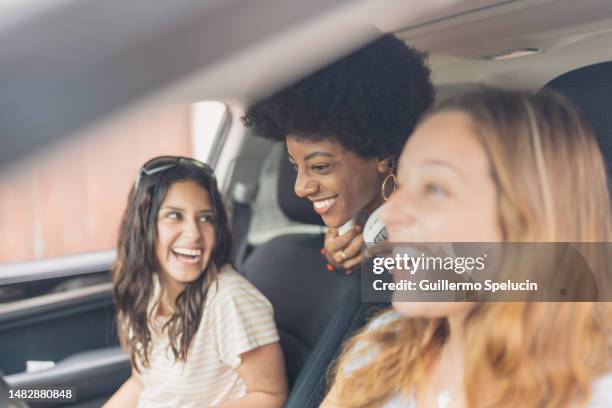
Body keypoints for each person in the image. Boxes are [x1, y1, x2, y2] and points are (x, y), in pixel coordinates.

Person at [321, 89, 612, 407]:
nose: (389, 213)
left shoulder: (594, 392)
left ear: (531, 220)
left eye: (435, 188)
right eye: (401, 186)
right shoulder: (379, 347)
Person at [104, 156, 287, 408]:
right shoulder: (150, 288)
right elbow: (141, 383)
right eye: (174, 215)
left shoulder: (228, 298)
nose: (194, 233)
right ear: (144, 226)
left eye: (205, 218)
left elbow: (269, 395)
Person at [242, 34, 435, 272]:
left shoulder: (444, 226)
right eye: (295, 166)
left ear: (383, 153)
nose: (300, 188)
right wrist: (342, 260)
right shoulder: (356, 229)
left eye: (320, 166)